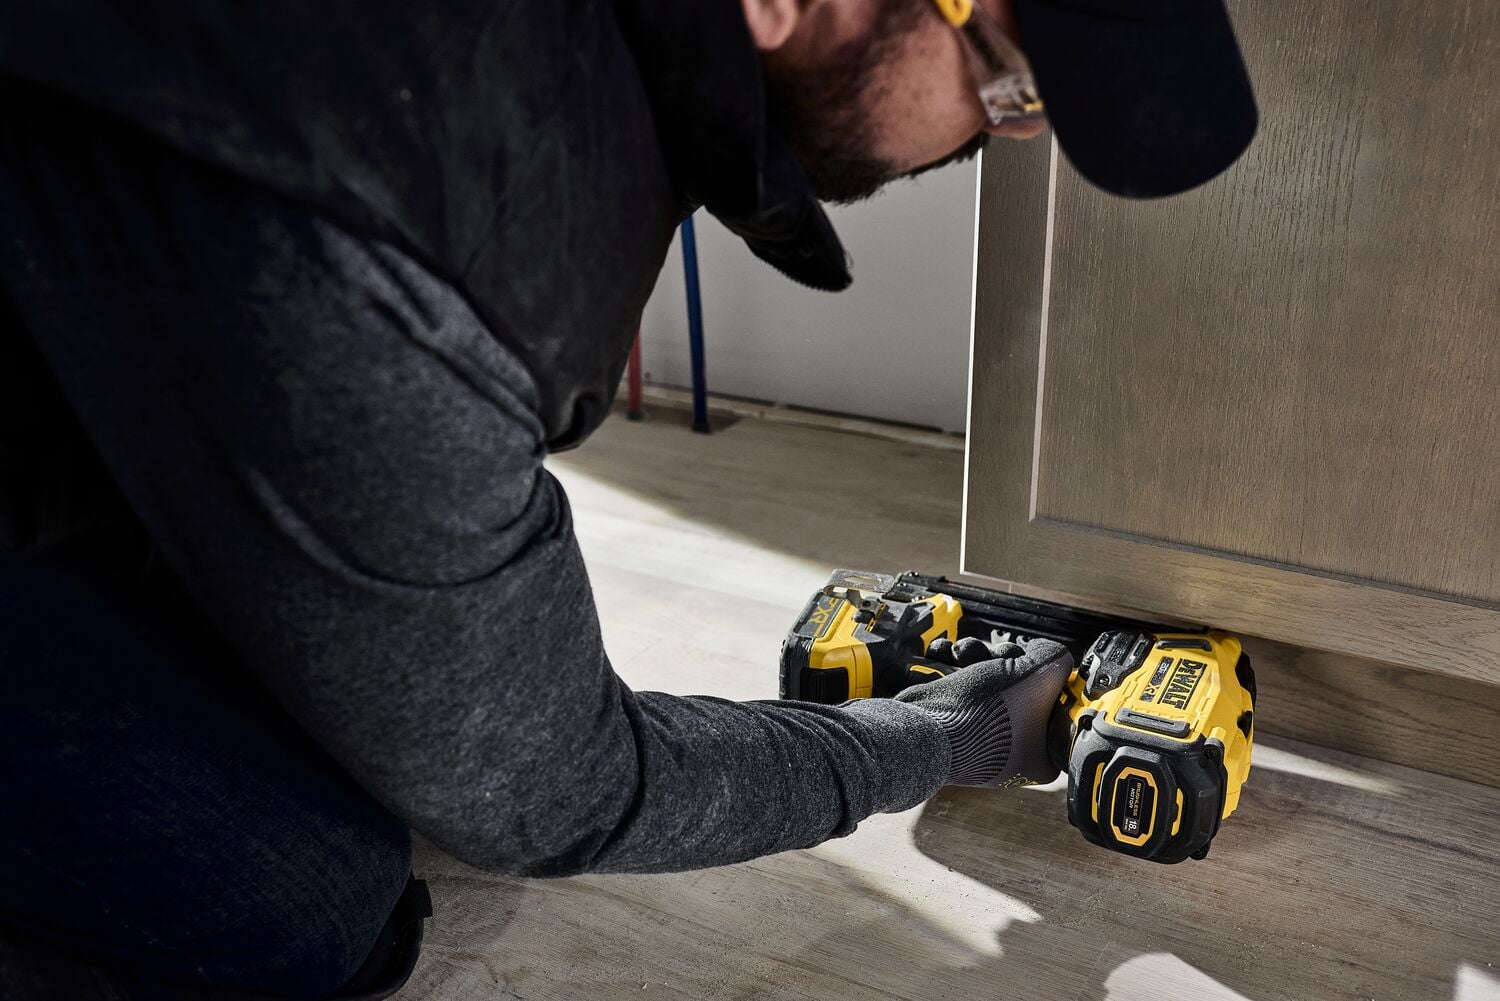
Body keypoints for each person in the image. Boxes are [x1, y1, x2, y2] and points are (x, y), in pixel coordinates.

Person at [0, 0, 1256, 996]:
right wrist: (944, 739)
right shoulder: (434, 206)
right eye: (1007, 83)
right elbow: (552, 790)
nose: (996, 132)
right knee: (314, 900)